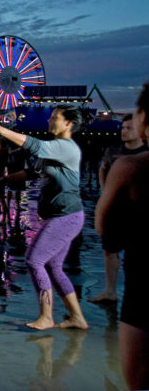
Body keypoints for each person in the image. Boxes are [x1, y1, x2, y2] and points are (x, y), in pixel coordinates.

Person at [0, 106, 88, 331]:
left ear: (68, 124)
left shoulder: (66, 147)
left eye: (55, 117)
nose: (49, 120)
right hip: (61, 216)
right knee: (54, 267)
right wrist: (1, 181)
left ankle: (46, 317)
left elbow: (35, 145)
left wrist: (1, 130)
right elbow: (31, 174)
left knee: (34, 260)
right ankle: (77, 317)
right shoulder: (54, 151)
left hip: (65, 216)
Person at [96, 82, 149, 390]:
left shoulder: (130, 167)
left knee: (139, 379)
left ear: (143, 117)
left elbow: (105, 226)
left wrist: (106, 178)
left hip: (144, 283)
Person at [89, 113, 147, 304]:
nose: (124, 131)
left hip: (138, 211)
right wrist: (105, 192)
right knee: (110, 250)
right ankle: (110, 291)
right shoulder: (113, 150)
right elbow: (102, 169)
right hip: (115, 209)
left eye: (129, 128)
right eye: (122, 128)